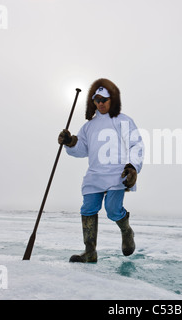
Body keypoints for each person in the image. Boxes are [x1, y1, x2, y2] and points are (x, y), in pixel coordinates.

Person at [58, 78, 144, 263]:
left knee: (112, 210)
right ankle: (90, 251)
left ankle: (126, 230)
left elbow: (136, 145)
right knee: (88, 208)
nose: (100, 103)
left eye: (104, 99)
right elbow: (81, 150)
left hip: (117, 174)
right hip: (95, 174)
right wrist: (70, 142)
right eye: (96, 100)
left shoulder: (124, 121)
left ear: (113, 99)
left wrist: (133, 167)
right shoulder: (89, 126)